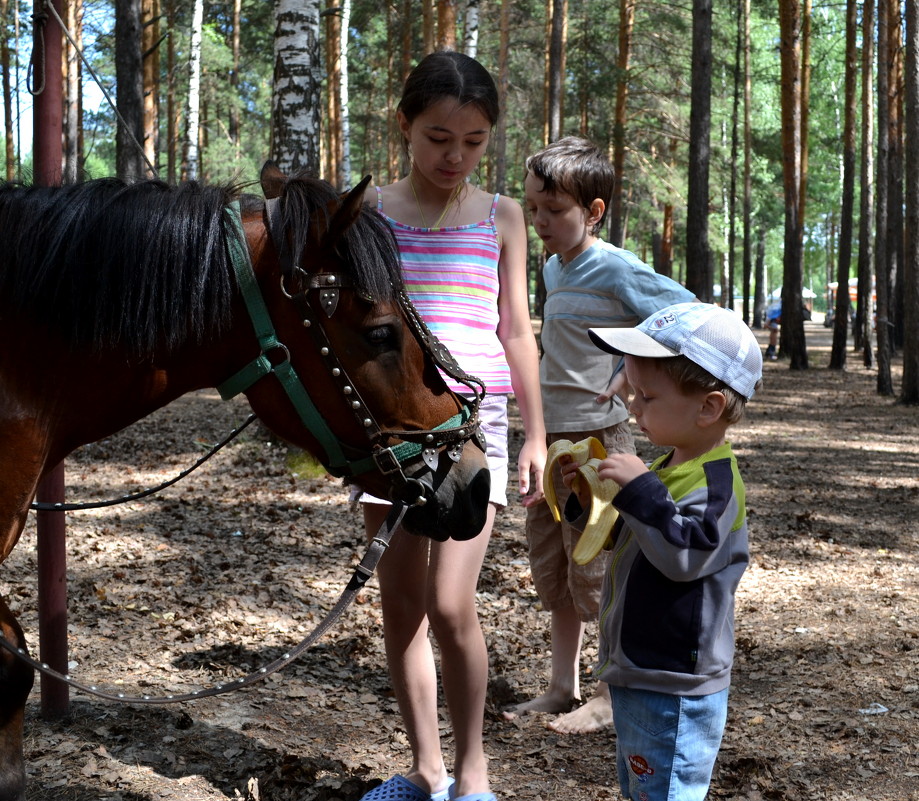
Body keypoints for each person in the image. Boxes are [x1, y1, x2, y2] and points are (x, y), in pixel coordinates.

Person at [356, 51, 547, 801]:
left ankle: (473, 774)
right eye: (438, 138)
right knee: (400, 602)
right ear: (405, 126)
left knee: (449, 602)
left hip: (472, 432)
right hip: (390, 430)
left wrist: (536, 436)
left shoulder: (500, 216)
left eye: (472, 142)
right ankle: (425, 770)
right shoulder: (369, 212)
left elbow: (517, 331)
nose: (454, 156)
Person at [502, 136, 693, 735]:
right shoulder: (553, 267)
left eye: (553, 211)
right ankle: (564, 686)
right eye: (533, 209)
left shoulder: (615, 267)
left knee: (603, 571)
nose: (540, 223)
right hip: (548, 439)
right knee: (554, 565)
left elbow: (684, 312)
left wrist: (626, 371)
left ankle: (611, 696)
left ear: (594, 211)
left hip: (601, 444)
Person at [562, 302, 762, 800]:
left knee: (667, 792)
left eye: (648, 397)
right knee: (643, 789)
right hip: (640, 669)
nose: (634, 409)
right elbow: (626, 536)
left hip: (676, 683)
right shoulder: (667, 466)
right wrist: (585, 501)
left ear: (708, 407)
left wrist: (641, 492)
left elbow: (685, 557)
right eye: (634, 393)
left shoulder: (715, 485)